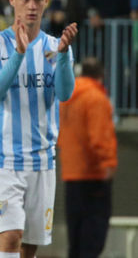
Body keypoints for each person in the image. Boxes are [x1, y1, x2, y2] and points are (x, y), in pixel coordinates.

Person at [0, 0, 77, 258]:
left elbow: (65, 94)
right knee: (10, 237)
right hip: (3, 159)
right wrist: (19, 55)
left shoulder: (54, 47)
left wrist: (65, 57)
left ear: (47, 1)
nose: (32, 5)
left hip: (42, 161)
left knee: (29, 247)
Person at [57, 57, 117, 258]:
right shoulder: (96, 98)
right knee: (93, 242)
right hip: (93, 176)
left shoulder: (67, 98)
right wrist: (108, 164)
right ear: (101, 76)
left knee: (76, 242)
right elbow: (99, 137)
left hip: (71, 176)